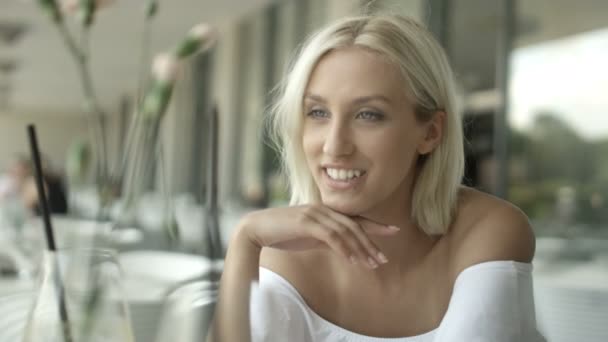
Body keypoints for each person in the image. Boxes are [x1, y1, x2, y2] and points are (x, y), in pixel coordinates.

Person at [212, 14, 545, 341]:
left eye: (368, 115)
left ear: (430, 132)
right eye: (318, 112)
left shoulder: (486, 232)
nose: (334, 145)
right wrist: (245, 238)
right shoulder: (278, 257)